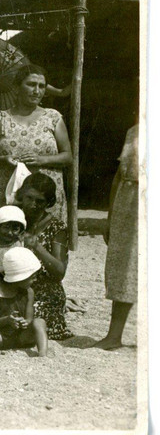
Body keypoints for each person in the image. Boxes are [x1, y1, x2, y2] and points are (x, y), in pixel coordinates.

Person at [0, 64, 72, 225]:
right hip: (10, 198)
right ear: (17, 87)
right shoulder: (1, 119)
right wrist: (3, 160)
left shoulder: (53, 118)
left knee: (45, 245)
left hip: (44, 199)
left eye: (41, 86)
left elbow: (68, 156)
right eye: (31, 84)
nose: (37, 91)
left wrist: (41, 160)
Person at [94, 123, 139, 350]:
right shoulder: (133, 131)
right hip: (128, 201)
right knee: (124, 269)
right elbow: (119, 177)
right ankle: (114, 335)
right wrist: (111, 217)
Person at [16, 172, 72, 340]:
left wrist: (37, 246)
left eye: (39, 201)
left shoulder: (56, 227)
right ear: (22, 196)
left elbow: (59, 271)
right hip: (14, 284)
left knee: (34, 314)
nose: (33, 205)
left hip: (44, 287)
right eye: (29, 198)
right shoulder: (13, 218)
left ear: (49, 202)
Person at [0, 247, 49, 357]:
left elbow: (29, 318)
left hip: (21, 336)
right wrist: (6, 320)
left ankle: (42, 353)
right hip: (0, 336)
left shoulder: (29, 292)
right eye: (32, 277)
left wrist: (25, 322)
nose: (35, 280)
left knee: (39, 322)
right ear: (20, 277)